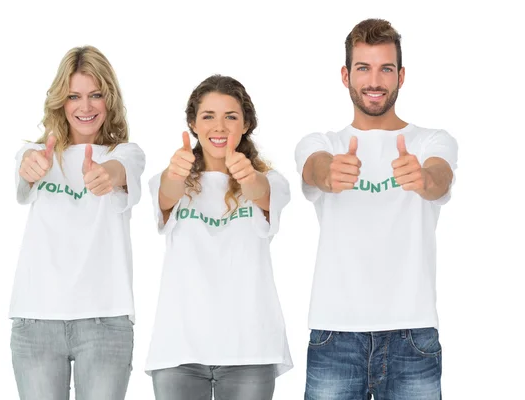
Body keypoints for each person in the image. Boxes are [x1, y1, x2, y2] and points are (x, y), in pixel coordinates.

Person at [295, 19, 458, 400]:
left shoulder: (432, 140)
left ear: (401, 76)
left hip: (413, 336)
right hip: (335, 335)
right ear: (345, 75)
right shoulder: (323, 142)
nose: (374, 81)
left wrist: (422, 177)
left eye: (386, 68)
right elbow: (314, 167)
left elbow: (440, 177)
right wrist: (328, 172)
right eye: (363, 68)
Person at [9, 45, 145, 400]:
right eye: (74, 96)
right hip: (35, 320)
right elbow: (25, 176)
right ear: (60, 101)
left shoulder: (125, 154)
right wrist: (33, 168)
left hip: (106, 321)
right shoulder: (34, 155)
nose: (85, 107)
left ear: (109, 99)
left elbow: (119, 171)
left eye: (95, 95)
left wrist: (105, 176)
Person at [146, 75, 293, 400]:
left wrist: (248, 176)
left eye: (231, 116)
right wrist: (175, 175)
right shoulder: (168, 180)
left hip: (250, 351)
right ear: (192, 124)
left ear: (246, 124)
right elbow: (166, 196)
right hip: (178, 351)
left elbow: (262, 192)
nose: (220, 126)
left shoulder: (273, 181)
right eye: (208, 116)